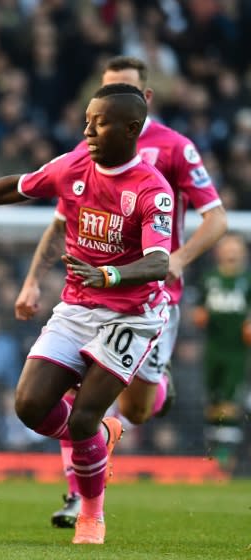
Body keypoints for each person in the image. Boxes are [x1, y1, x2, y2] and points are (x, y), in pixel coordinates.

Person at [0, 83, 173, 545]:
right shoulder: (75, 164)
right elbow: (14, 187)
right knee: (29, 407)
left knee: (79, 421)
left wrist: (111, 277)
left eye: (99, 122)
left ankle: (91, 515)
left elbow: (161, 262)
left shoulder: (152, 190)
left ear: (131, 128)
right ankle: (101, 436)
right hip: (77, 307)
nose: (88, 130)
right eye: (86, 120)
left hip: (130, 316)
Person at [16, 56, 227, 529]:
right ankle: (80, 496)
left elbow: (217, 219)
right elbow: (58, 220)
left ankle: (149, 393)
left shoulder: (175, 149)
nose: (105, 104)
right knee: (72, 398)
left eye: (122, 90)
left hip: (150, 297)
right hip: (87, 299)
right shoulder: (90, 146)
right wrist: (33, 278)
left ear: (143, 99)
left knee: (136, 407)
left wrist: (177, 260)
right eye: (104, 91)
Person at [192, 233, 251, 472]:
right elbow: (199, 312)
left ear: (243, 253)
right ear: (219, 253)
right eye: (227, 247)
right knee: (212, 400)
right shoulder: (209, 279)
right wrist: (199, 317)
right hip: (213, 348)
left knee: (230, 400)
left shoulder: (247, 281)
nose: (231, 252)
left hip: (236, 351)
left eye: (235, 247)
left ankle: (226, 455)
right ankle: (212, 449)